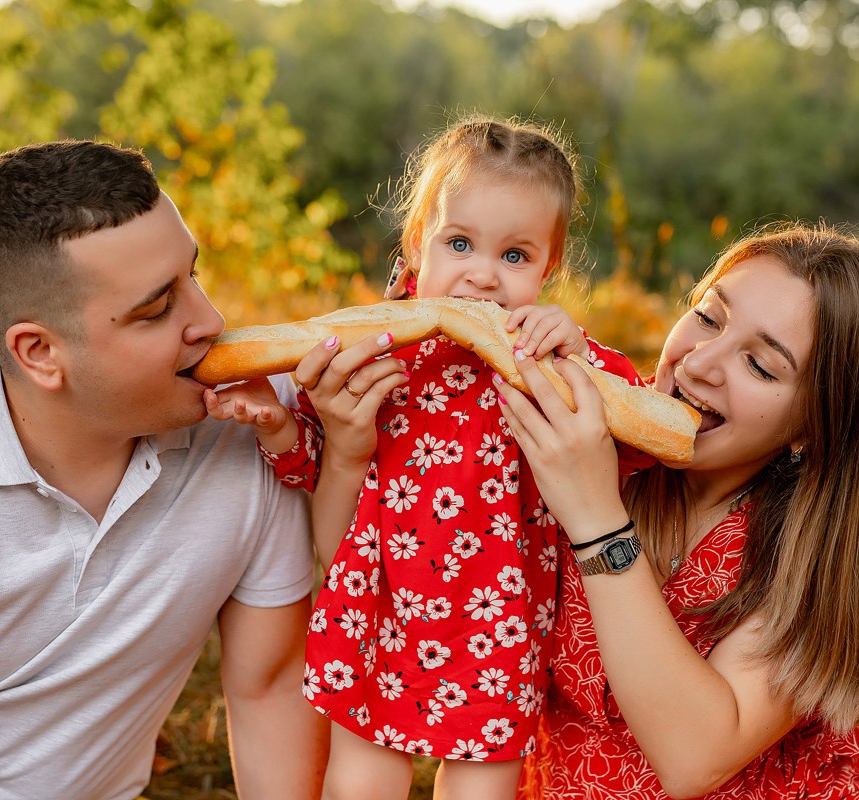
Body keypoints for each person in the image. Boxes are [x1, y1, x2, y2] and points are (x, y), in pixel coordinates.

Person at [0, 140, 326, 800]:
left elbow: (271, 686)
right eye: (156, 309)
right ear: (39, 353)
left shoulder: (258, 428)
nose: (211, 321)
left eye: (193, 278)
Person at [205, 116, 654, 799]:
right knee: (360, 783)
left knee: (481, 788)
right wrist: (278, 431)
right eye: (461, 243)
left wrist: (577, 350)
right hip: (378, 610)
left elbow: (633, 420)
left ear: (549, 268)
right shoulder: (379, 349)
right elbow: (319, 474)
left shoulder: (550, 363)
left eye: (515, 256)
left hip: (497, 626)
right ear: (418, 244)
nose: (482, 276)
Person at [489, 222, 859, 798]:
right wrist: (349, 453)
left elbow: (694, 758)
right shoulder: (589, 440)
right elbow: (399, 567)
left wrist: (596, 518)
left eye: (761, 366)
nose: (699, 363)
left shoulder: (819, 551)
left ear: (818, 424)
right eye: (707, 317)